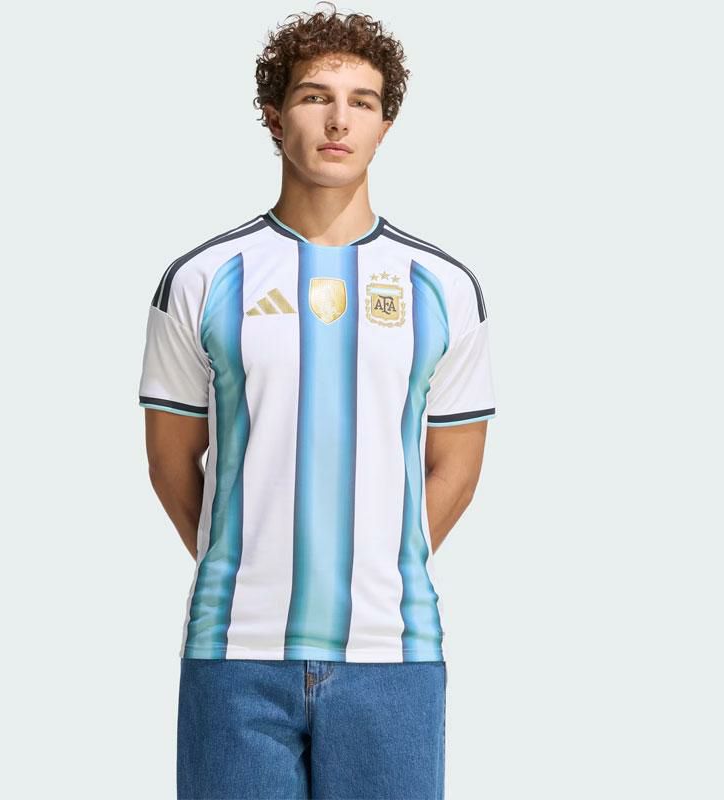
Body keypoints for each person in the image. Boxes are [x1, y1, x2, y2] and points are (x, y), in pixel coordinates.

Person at [137, 4, 497, 798]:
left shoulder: (443, 286)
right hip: (234, 655)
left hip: (393, 656)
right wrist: (254, 564)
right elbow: (170, 462)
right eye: (314, 97)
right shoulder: (202, 278)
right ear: (274, 115)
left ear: (384, 125)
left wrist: (374, 565)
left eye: (361, 102)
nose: (339, 120)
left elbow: (456, 467)